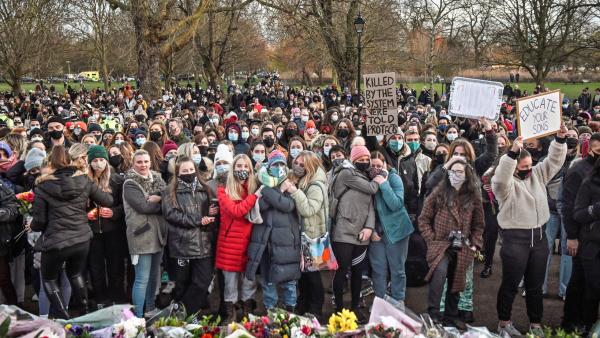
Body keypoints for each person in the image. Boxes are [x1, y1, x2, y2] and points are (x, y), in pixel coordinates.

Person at [492, 126, 568, 337]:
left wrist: (560, 140)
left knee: (535, 286)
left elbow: (553, 162)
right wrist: (511, 154)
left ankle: (535, 323)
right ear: (513, 167)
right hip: (515, 240)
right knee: (510, 284)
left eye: (529, 165)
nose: (528, 168)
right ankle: (504, 322)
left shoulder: (536, 174)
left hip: (540, 238)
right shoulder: (504, 186)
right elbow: (500, 179)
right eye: (523, 166)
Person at [31, 145, 113, 319]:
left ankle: (64, 317)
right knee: (75, 274)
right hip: (81, 239)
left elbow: (40, 222)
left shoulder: (43, 186)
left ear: (51, 164)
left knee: (49, 279)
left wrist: (32, 226)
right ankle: (84, 314)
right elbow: (107, 200)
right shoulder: (84, 180)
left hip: (56, 241)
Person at [419, 159, 484, 328]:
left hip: (463, 244)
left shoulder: (473, 196)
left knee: (457, 278)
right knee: (439, 273)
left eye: (460, 172)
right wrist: (431, 238)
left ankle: (450, 316)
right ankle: (433, 313)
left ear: (467, 174)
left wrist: (475, 244)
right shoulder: (439, 193)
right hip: (440, 244)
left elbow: (479, 224)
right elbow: (424, 218)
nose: (456, 175)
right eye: (453, 172)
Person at [330, 145, 381, 320]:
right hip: (343, 231)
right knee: (342, 270)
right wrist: (383, 175)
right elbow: (372, 189)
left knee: (358, 272)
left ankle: (354, 308)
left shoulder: (365, 176)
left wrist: (369, 227)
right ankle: (338, 309)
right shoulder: (346, 174)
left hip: (362, 234)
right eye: (361, 160)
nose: (365, 162)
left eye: (367, 160)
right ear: (352, 160)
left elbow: (371, 206)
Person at [162, 156, 218, 316]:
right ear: (178, 172)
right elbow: (171, 214)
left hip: (204, 244)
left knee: (203, 281)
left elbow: (211, 216)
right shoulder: (170, 191)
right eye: (184, 171)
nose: (189, 173)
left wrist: (211, 216)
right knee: (182, 285)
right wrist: (198, 220)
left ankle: (180, 311)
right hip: (182, 245)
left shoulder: (206, 189)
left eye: (191, 170)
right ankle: (188, 317)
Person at [246, 150, 301, 312]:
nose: (279, 167)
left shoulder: (290, 183)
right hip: (265, 241)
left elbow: (288, 205)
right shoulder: (259, 183)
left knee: (289, 282)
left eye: (282, 164)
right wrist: (279, 191)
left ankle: (290, 313)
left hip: (286, 241)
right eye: (275, 164)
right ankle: (271, 313)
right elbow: (259, 206)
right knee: (267, 281)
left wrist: (271, 192)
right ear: (269, 166)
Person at [561, 133, 600, 332]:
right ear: (590, 149)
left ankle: (586, 322)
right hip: (583, 236)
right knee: (580, 282)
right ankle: (571, 322)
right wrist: (572, 236)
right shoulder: (578, 171)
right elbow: (568, 207)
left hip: (594, 236)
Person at [123, 149, 167, 318]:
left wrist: (158, 198)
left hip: (158, 234)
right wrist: (161, 203)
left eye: (146, 161)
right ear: (133, 163)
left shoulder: (157, 178)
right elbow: (144, 207)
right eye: (139, 162)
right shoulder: (130, 183)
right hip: (141, 236)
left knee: (154, 275)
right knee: (142, 278)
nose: (143, 165)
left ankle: (150, 308)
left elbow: (167, 197)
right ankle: (139, 316)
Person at [215, 154, 259, 322]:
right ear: (233, 169)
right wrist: (254, 197)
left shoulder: (254, 187)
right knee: (230, 284)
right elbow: (236, 211)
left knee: (249, 281)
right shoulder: (223, 189)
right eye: (238, 166)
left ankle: (248, 313)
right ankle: (230, 315)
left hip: (250, 242)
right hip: (230, 244)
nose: (242, 170)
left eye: (245, 166)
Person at [285, 151, 328, 318]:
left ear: (310, 167)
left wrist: (294, 191)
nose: (298, 166)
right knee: (303, 275)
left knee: (313, 275)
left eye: (303, 165)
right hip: (303, 235)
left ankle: (316, 308)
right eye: (296, 162)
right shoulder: (301, 179)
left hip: (314, 236)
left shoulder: (316, 184)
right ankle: (303, 305)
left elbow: (309, 209)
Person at [368, 151, 414, 308]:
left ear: (385, 166)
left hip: (397, 230)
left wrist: (383, 183)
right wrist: (371, 229)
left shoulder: (394, 178)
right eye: (372, 166)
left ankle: (397, 301)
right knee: (378, 269)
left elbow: (396, 204)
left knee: (397, 269)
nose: (375, 169)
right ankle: (380, 301)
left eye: (379, 166)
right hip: (376, 231)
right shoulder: (366, 180)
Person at [86, 145, 127, 308]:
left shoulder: (117, 180)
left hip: (113, 231)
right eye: (95, 160)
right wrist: (88, 215)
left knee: (115, 266)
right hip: (92, 231)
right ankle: (101, 298)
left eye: (102, 160)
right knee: (96, 268)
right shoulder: (85, 181)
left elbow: (125, 206)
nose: (98, 164)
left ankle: (117, 295)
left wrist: (114, 212)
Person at [571, 152, 600, 332]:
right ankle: (587, 327)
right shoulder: (589, 184)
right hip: (592, 247)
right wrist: (596, 209)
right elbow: (578, 214)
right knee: (593, 289)